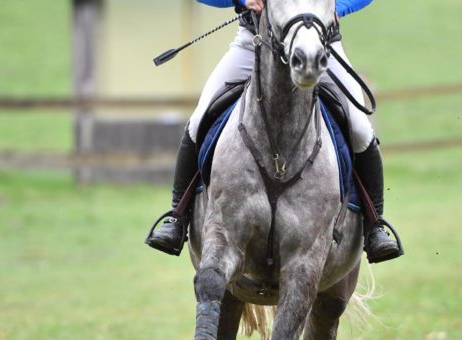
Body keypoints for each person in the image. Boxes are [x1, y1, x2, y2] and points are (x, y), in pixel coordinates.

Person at [147, 0, 402, 264]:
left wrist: (340, 6)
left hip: (318, 43)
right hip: (254, 43)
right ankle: (177, 218)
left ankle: (375, 227)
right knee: (199, 118)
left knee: (360, 127)